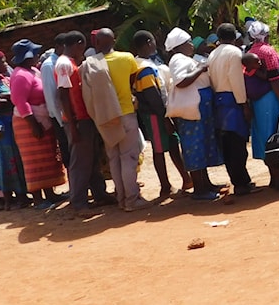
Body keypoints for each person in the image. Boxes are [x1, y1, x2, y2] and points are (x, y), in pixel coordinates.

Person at [80, 29, 149, 212]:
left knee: (114, 159)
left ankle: (120, 198)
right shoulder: (126, 58)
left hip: (105, 117)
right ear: (114, 40)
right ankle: (132, 200)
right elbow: (133, 80)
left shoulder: (90, 64)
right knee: (129, 158)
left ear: (96, 43)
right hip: (126, 114)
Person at [55, 30, 115, 216]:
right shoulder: (64, 64)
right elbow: (63, 94)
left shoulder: (71, 63)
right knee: (80, 162)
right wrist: (73, 125)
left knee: (91, 158)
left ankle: (99, 193)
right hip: (77, 120)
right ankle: (79, 202)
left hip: (83, 118)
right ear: (78, 44)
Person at [164, 27, 224, 201]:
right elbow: (181, 81)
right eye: (188, 42)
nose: (191, 45)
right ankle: (199, 189)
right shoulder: (178, 59)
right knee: (194, 147)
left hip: (199, 109)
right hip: (191, 113)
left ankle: (206, 184)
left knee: (202, 146)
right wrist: (201, 69)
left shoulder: (184, 58)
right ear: (179, 46)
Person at [132, 30, 191, 199]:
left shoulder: (141, 64)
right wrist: (165, 117)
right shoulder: (144, 68)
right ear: (149, 43)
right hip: (154, 116)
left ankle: (186, 179)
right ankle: (165, 186)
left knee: (173, 145)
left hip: (158, 114)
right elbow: (152, 96)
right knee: (159, 150)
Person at [8, 39, 66, 208]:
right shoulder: (20, 75)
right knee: (33, 161)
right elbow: (20, 101)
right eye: (35, 53)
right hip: (28, 122)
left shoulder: (32, 70)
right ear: (28, 56)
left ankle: (49, 194)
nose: (38, 55)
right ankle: (38, 199)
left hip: (41, 119)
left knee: (46, 158)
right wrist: (33, 123)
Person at [244, 20, 279, 191]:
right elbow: (275, 80)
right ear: (266, 35)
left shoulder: (250, 50)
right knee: (276, 134)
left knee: (266, 136)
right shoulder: (267, 51)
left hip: (258, 101)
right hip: (272, 98)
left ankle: (274, 177)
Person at [207, 23, 258, 196]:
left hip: (218, 100)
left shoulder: (213, 54)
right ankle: (241, 182)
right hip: (232, 100)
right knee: (237, 143)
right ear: (234, 37)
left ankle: (238, 180)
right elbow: (236, 80)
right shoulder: (234, 52)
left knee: (227, 144)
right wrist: (244, 104)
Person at [0, 46, 26, 210]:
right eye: (2, 61)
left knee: (17, 160)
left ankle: (22, 196)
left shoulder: (1, 77)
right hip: (0, 129)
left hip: (12, 125)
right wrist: (16, 96)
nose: (6, 63)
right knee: (5, 163)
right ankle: (9, 200)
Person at [39, 33, 70, 171]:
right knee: (68, 151)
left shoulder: (65, 62)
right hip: (60, 117)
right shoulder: (49, 65)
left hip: (67, 115)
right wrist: (61, 121)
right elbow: (51, 97)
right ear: (58, 46)